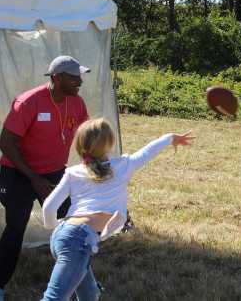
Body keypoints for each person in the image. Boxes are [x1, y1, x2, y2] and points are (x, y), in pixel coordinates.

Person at [40, 118, 194, 301]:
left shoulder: (72, 172)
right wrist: (170, 137)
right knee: (54, 298)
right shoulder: (122, 166)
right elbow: (147, 152)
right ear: (109, 144)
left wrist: (54, 227)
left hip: (62, 235)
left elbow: (49, 207)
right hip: (78, 241)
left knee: (89, 295)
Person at [0, 56, 91, 301]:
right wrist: (34, 178)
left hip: (54, 173)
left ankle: (81, 285)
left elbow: (86, 139)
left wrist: (92, 171)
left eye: (80, 76)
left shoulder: (77, 103)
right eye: (74, 77)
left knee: (72, 228)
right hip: (18, 174)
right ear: (57, 77)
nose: (79, 81)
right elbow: (6, 143)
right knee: (15, 228)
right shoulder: (28, 102)